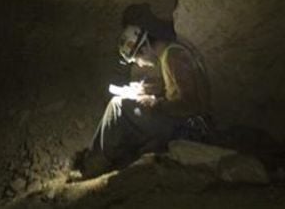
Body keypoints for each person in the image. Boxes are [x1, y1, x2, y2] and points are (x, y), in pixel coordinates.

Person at [77, 24, 211, 177]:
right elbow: (178, 90)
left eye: (136, 60)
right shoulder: (170, 53)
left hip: (187, 126)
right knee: (124, 105)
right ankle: (100, 157)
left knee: (118, 106)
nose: (140, 64)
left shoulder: (173, 56)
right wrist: (150, 89)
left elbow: (192, 104)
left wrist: (155, 103)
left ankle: (94, 165)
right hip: (180, 121)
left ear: (145, 48)